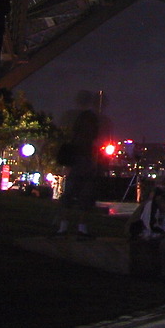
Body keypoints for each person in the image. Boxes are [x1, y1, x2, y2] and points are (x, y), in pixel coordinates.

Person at [55, 91, 106, 239]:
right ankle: (80, 229)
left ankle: (64, 228)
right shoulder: (91, 120)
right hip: (84, 162)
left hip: (78, 161)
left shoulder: (76, 119)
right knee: (83, 196)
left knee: (70, 196)